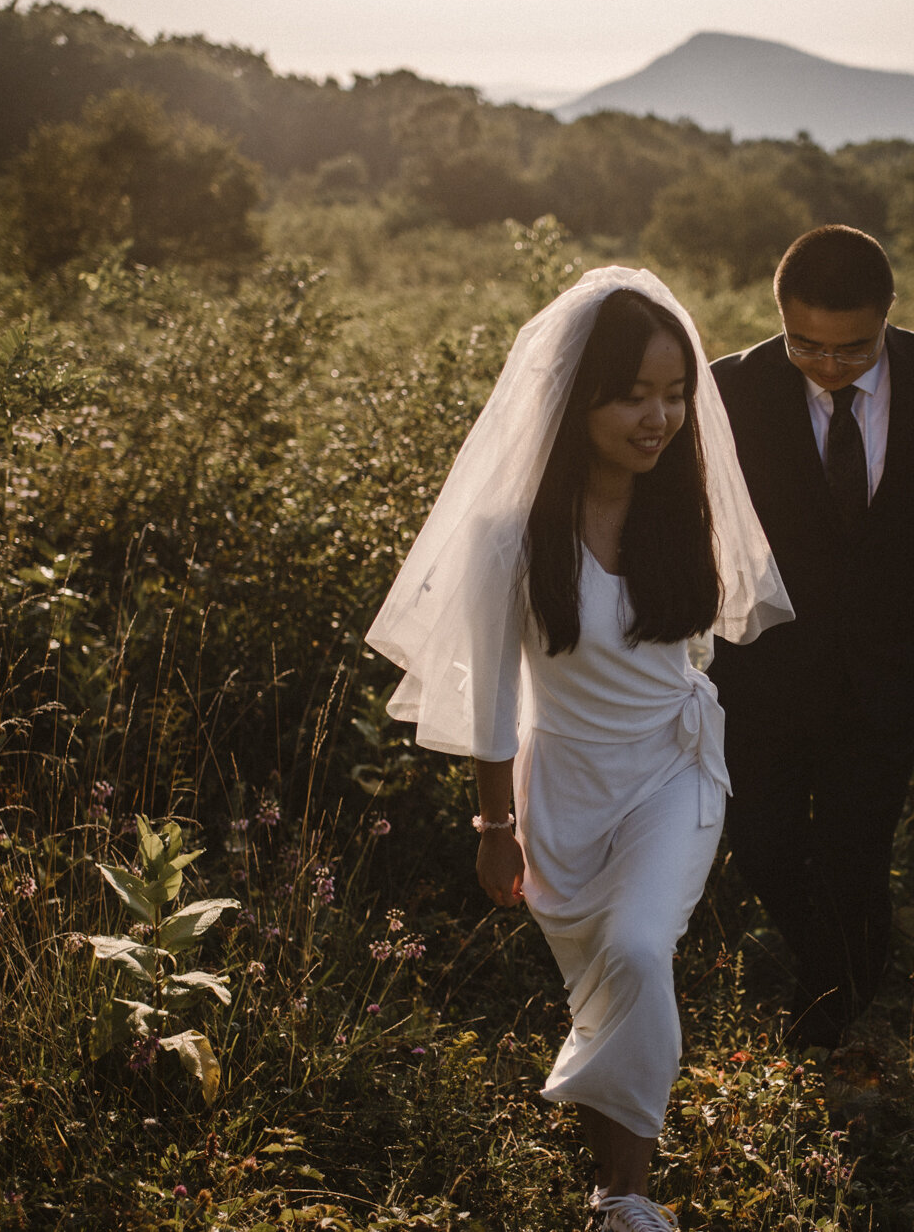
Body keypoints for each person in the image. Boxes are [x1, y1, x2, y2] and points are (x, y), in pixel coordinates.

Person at [367, 268, 792, 1231]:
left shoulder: (683, 509)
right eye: (633, 394)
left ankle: (627, 1198)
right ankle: (613, 1189)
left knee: (639, 952)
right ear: (578, 398)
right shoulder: (510, 534)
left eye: (676, 393)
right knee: (603, 980)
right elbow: (488, 689)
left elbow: (696, 652)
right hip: (561, 787)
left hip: (673, 774)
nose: (661, 417)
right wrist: (494, 825)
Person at [707, 225, 914, 1049]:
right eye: (805, 344)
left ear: (887, 316)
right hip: (759, 666)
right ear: (778, 315)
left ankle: (828, 1019)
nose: (829, 366)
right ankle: (848, 959)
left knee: (855, 846)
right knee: (764, 845)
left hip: (888, 660)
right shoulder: (727, 388)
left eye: (852, 349)